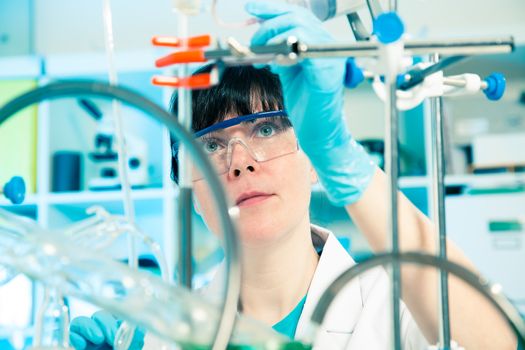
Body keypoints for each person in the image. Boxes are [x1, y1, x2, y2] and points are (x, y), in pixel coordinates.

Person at [69, 2, 519, 349]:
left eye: (266, 129)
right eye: (210, 145)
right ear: (184, 182)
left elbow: (498, 342)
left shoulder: (394, 306)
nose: (240, 162)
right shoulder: (161, 333)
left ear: (311, 155)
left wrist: (345, 160)